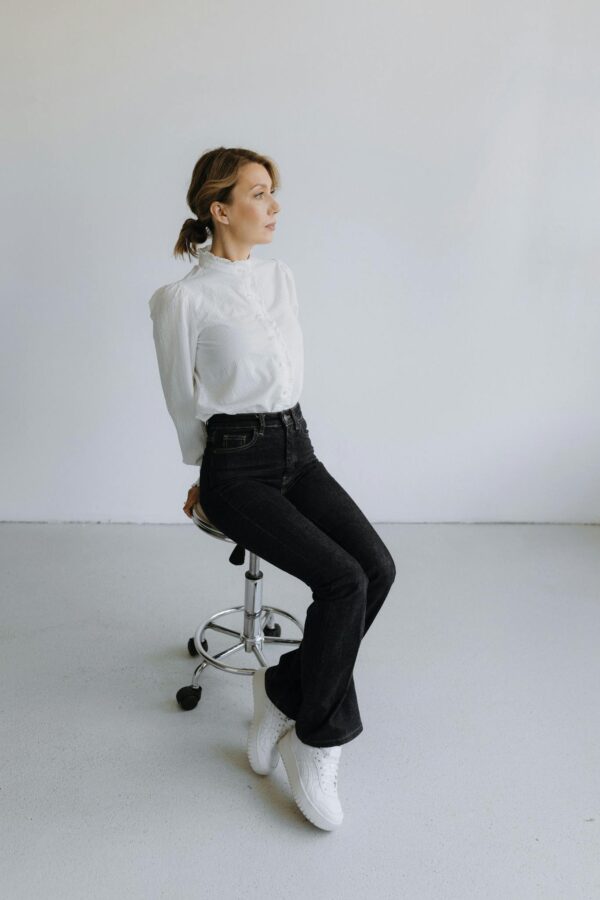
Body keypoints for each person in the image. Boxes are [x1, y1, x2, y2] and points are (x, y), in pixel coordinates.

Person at [148, 146, 396, 831]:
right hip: (234, 464)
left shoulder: (281, 278)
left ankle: (282, 689)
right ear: (218, 209)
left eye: (272, 192)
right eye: (258, 194)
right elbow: (180, 398)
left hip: (298, 449)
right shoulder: (181, 300)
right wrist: (202, 476)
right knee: (342, 581)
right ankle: (317, 742)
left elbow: (284, 383)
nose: (274, 205)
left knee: (376, 568)